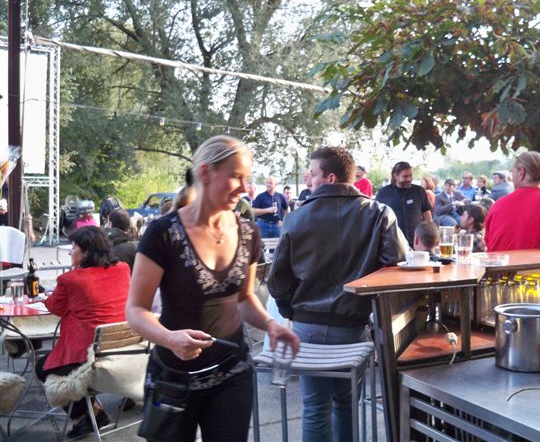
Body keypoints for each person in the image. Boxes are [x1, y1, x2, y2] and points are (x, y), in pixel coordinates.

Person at [126, 136, 298, 442]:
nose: (244, 188)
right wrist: (169, 338)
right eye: (236, 177)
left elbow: (244, 299)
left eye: (247, 178)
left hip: (232, 372)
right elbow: (135, 310)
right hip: (173, 377)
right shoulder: (163, 232)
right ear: (206, 172)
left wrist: (270, 324)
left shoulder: (248, 232)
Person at [268, 146, 408, 442]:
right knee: (346, 405)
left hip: (308, 325)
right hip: (352, 326)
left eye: (312, 174)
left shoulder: (297, 217)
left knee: (315, 408)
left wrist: (292, 310)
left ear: (330, 178)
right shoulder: (379, 213)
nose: (308, 180)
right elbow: (395, 265)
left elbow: (277, 281)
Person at [36, 226, 130, 438]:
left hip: (90, 361)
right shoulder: (123, 269)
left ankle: (86, 416)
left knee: (42, 366)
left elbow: (55, 307)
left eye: (74, 246)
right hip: (125, 354)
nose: (70, 251)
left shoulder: (71, 280)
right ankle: (94, 413)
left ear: (87, 251)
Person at [376, 161, 432, 246]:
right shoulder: (383, 193)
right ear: (395, 176)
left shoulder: (419, 191)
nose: (409, 179)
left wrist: (429, 233)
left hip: (416, 241)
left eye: (410, 175)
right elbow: (377, 216)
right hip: (393, 241)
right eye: (405, 176)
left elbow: (427, 214)